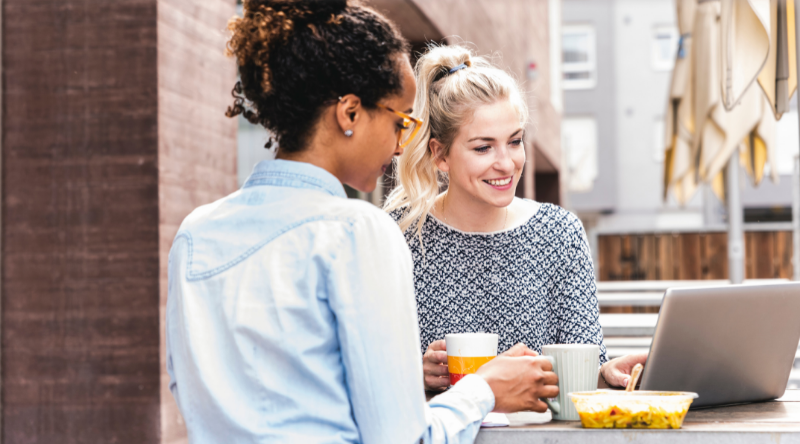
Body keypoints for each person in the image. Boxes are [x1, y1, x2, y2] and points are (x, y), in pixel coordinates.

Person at [166, 1, 559, 443]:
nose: (400, 146)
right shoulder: (358, 231)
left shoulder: (195, 234)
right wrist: (485, 389)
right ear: (350, 113)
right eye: (401, 121)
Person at [384, 45, 647, 392]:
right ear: (440, 155)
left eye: (515, 141)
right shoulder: (398, 236)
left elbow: (583, 363)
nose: (506, 163)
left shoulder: (560, 233)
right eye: (483, 147)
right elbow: (374, 373)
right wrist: (416, 375)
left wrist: (606, 372)